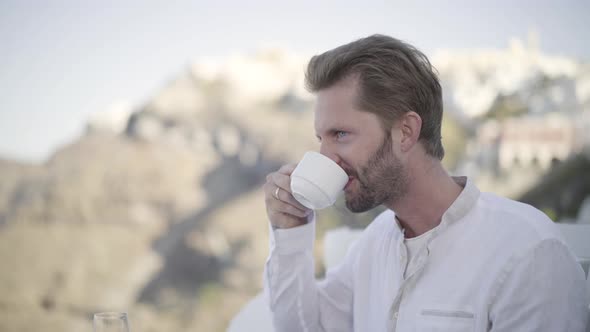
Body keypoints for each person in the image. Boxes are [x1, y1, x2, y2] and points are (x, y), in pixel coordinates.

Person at [262, 34, 589, 331]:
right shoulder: (376, 243)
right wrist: (291, 231)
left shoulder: (527, 253)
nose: (325, 156)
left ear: (406, 132)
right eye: (321, 138)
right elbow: (305, 327)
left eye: (341, 134)